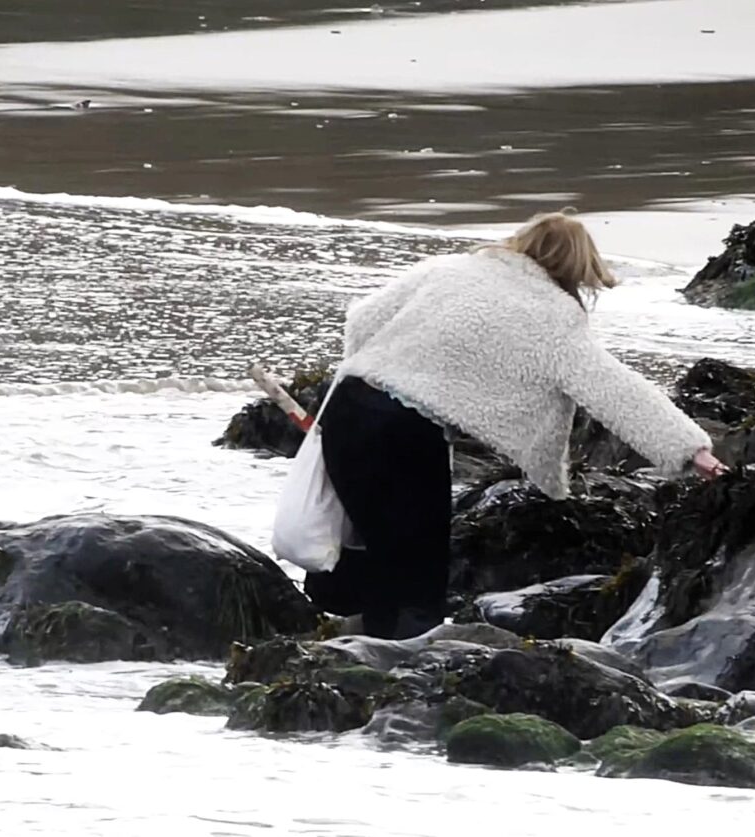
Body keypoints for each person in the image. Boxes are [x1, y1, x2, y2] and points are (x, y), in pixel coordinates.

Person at [302, 211, 726, 639]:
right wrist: (690, 450)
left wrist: (390, 366)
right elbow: (615, 389)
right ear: (577, 268)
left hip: (348, 409)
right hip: (406, 435)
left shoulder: (453, 268)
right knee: (419, 568)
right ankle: (406, 664)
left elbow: (361, 321)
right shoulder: (555, 318)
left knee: (378, 546)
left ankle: (362, 648)